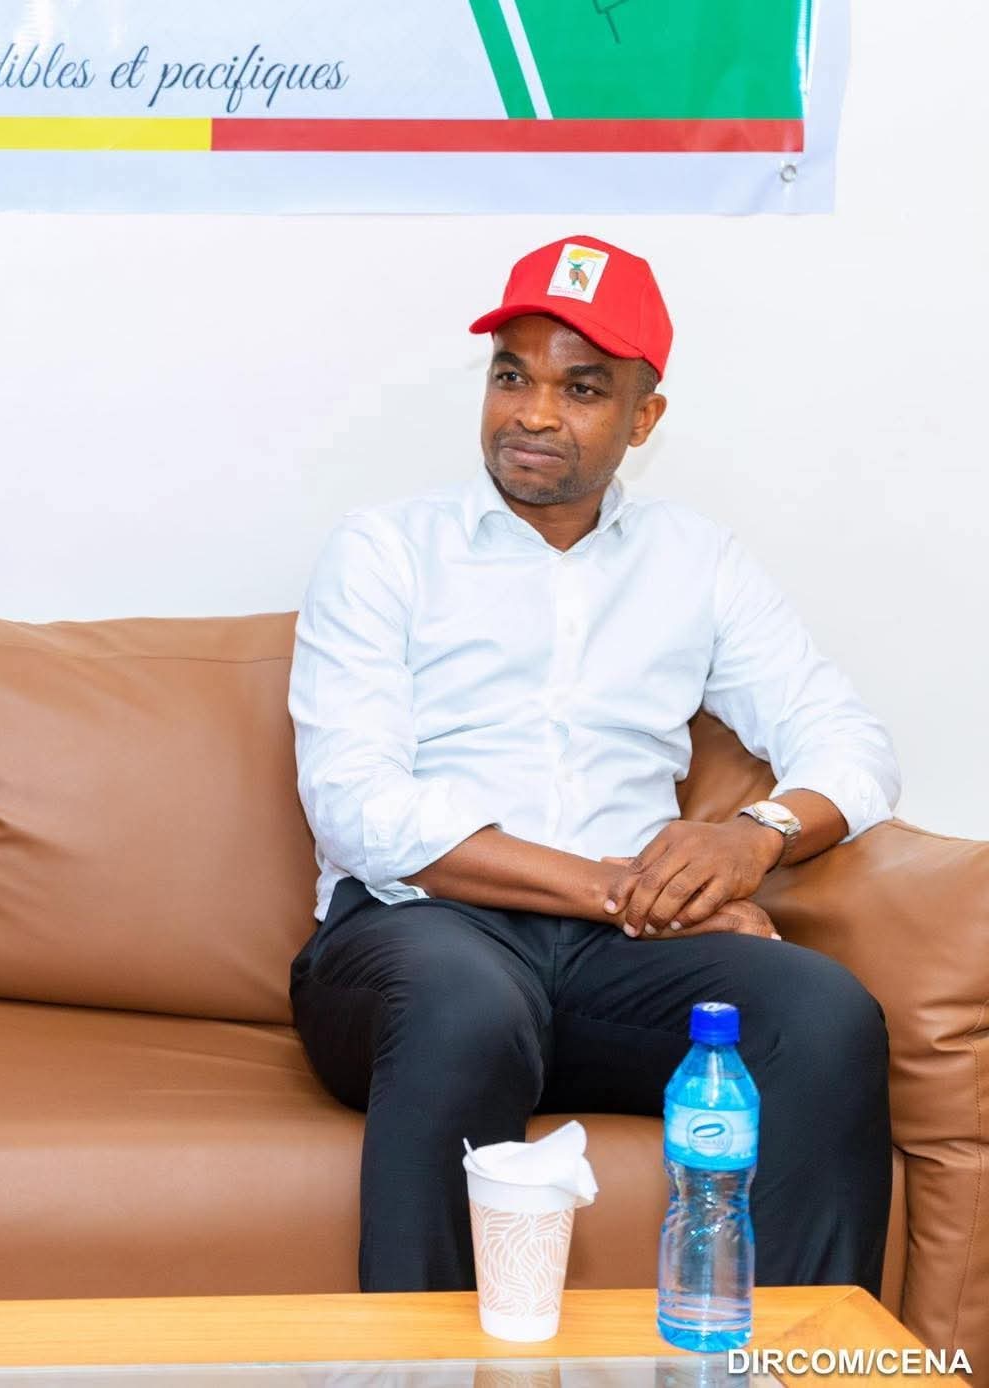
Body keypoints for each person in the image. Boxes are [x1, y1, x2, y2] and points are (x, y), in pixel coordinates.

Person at [288, 235, 898, 1295]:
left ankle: (792, 1361)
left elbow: (850, 741)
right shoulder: (384, 550)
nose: (532, 413)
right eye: (510, 375)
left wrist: (755, 835)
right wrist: (629, 892)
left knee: (822, 1014)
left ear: (642, 418)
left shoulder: (697, 563)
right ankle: (418, 1366)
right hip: (417, 939)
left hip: (616, 966)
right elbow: (360, 807)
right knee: (466, 1008)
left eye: (579, 388)